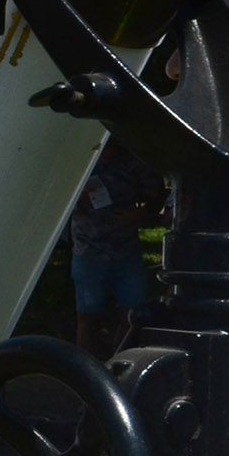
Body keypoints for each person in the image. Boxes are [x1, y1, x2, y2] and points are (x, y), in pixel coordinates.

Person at [69, 142, 163, 360]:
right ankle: (86, 371)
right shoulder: (81, 162)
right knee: (88, 318)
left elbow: (157, 195)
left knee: (132, 316)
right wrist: (76, 196)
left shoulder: (135, 163)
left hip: (126, 251)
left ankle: (119, 365)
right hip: (89, 251)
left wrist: (141, 213)